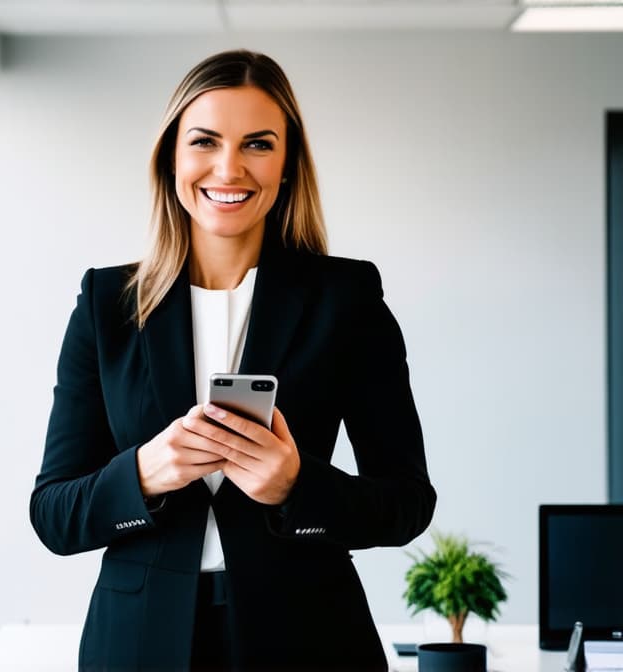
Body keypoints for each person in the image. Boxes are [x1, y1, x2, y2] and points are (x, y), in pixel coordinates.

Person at [29, 49, 437, 672]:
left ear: (287, 164)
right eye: (205, 141)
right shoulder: (105, 305)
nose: (229, 167)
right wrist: (143, 473)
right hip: (139, 642)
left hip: (309, 638)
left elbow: (408, 502)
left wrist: (296, 488)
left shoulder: (346, 299)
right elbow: (54, 514)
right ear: (172, 157)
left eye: (258, 144)